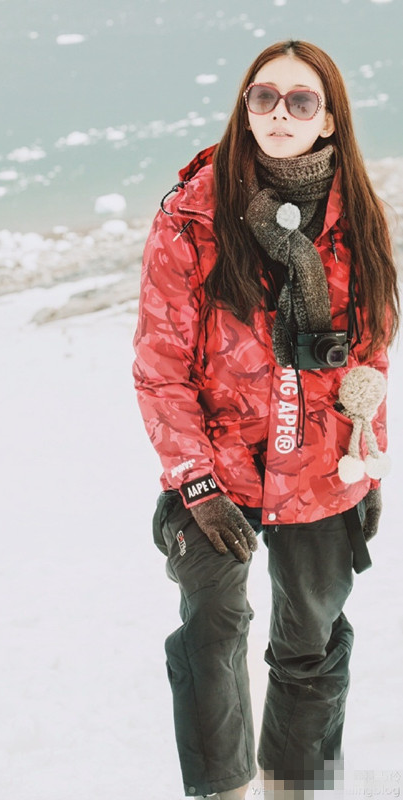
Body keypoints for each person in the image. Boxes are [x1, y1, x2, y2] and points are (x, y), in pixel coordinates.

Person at [132, 40, 399, 799]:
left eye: (300, 100)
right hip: (217, 463)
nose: (279, 113)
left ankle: (297, 786)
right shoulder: (192, 217)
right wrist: (193, 481)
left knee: (310, 643)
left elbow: (370, 357)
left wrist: (367, 452)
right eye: (263, 97)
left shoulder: (357, 219)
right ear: (244, 108)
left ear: (328, 120)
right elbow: (160, 366)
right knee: (213, 626)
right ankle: (221, 790)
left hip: (320, 464)